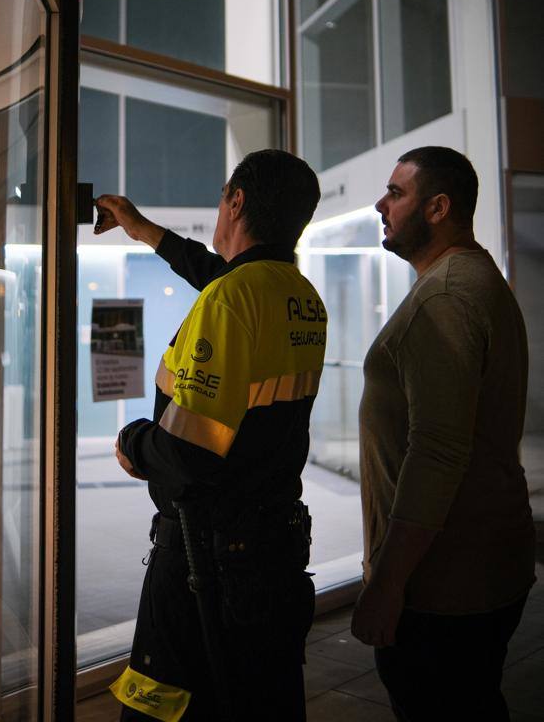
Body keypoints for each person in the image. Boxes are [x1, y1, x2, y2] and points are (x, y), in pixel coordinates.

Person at [94, 149, 326, 722]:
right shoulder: (298, 295)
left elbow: (188, 454)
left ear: (237, 201)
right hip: (270, 550)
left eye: (223, 198)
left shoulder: (230, 299)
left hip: (208, 563)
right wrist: (142, 229)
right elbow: (221, 274)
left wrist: (133, 440)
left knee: (164, 706)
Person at [351, 146, 536, 721]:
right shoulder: (472, 278)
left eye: (396, 193)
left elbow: (437, 451)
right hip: (473, 567)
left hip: (444, 583)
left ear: (437, 207)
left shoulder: (449, 295)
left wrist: (387, 581)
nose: (381, 205)